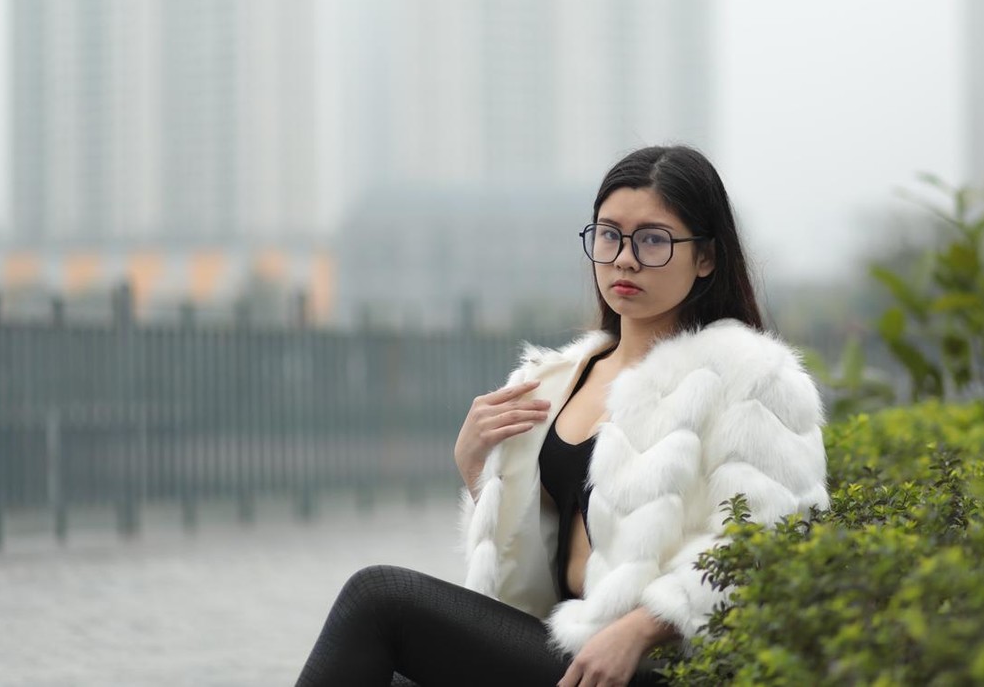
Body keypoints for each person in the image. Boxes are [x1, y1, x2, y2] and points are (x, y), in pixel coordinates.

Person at [296, 145, 829, 687]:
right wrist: (480, 474)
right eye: (609, 235)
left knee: (379, 599)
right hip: (567, 649)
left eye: (653, 240)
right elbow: (524, 580)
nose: (624, 258)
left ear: (706, 257)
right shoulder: (560, 378)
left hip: (661, 665)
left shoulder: (752, 376)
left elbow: (769, 544)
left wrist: (639, 630)